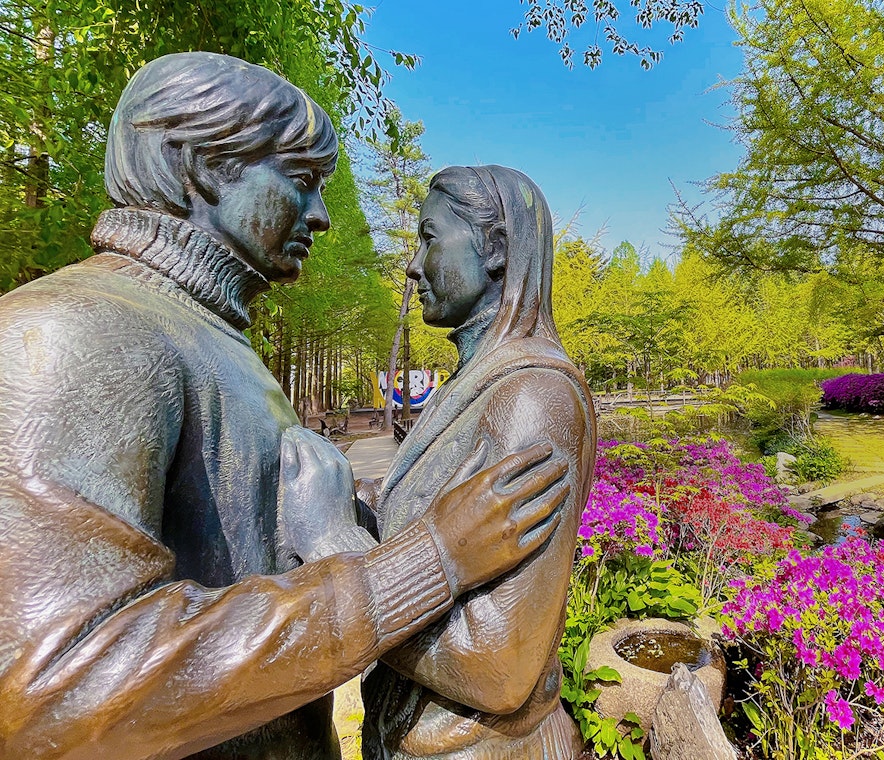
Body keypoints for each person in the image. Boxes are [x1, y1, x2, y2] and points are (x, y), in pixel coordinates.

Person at [0, 53, 565, 760]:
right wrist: (428, 561)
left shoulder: (213, 341)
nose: (323, 217)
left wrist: (341, 513)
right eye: (300, 182)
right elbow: (57, 691)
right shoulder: (72, 331)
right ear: (206, 165)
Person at [359, 166, 595, 760]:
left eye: (429, 237)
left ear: (493, 249)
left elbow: (498, 668)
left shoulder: (531, 401)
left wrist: (347, 568)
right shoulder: (475, 386)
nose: (413, 266)